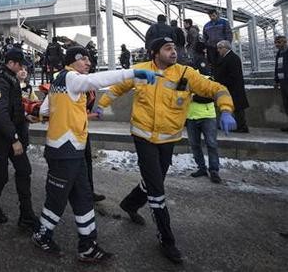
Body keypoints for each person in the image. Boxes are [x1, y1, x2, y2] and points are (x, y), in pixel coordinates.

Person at [97, 37, 236, 264]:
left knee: (155, 179)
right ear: (155, 53)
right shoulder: (140, 70)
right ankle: (167, 240)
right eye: (168, 48)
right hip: (142, 135)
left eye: (175, 48)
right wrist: (102, 105)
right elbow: (117, 88)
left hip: (168, 137)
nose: (174, 52)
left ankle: (130, 203)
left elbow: (216, 88)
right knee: (156, 188)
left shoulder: (186, 73)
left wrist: (227, 109)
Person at [32, 46, 159, 263]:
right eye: (84, 59)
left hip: (71, 149)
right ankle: (42, 234)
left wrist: (81, 113)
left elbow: (45, 111)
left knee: (83, 197)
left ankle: (87, 245)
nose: (88, 63)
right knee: (57, 198)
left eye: (89, 60)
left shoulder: (57, 82)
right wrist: (132, 72)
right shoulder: (71, 77)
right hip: (65, 150)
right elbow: (98, 80)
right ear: (72, 61)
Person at [0, 49, 39, 229]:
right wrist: (14, 140)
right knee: (1, 175)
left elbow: (13, 108)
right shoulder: (0, 81)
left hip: (12, 133)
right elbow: (0, 114)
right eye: (20, 64)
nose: (22, 68)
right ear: (12, 63)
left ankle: (26, 215)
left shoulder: (11, 78)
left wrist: (24, 117)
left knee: (24, 170)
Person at [186, 54, 222, 183]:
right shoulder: (187, 79)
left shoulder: (208, 78)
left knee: (211, 144)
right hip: (191, 116)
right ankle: (201, 168)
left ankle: (214, 170)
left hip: (208, 116)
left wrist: (192, 97)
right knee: (194, 145)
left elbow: (209, 96)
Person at [213, 40, 250, 133]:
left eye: (220, 48)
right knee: (235, 107)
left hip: (233, 87)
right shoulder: (226, 58)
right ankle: (238, 125)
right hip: (229, 87)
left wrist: (222, 82)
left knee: (238, 108)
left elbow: (233, 75)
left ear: (226, 48)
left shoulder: (233, 58)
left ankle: (242, 126)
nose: (218, 50)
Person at [274, 35, 288, 132]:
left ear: (285, 42)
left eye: (279, 42)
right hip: (283, 82)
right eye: (276, 42)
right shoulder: (279, 53)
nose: (277, 45)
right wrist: (276, 80)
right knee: (286, 104)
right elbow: (277, 67)